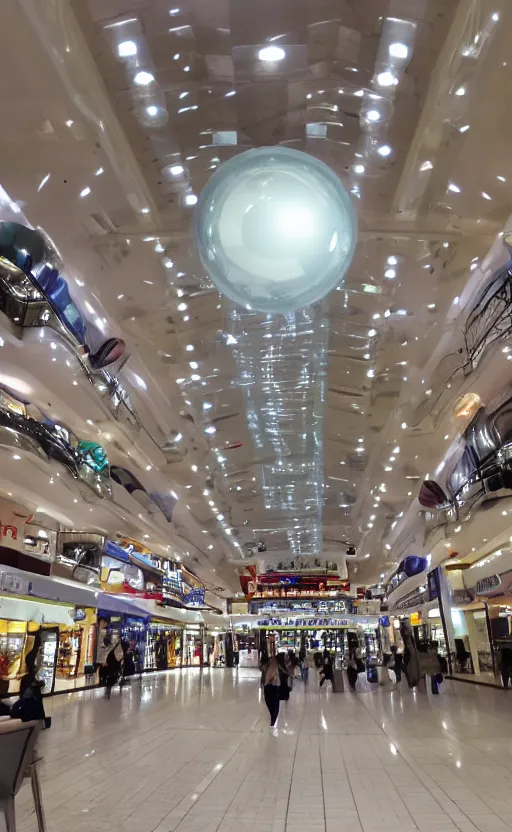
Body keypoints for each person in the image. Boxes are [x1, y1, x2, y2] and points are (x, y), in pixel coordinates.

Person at [262, 655, 280, 730]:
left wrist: (269, 680)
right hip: (267, 686)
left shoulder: (273, 665)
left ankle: (273, 719)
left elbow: (274, 675)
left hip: (273, 686)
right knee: (268, 702)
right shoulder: (265, 667)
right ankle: (273, 717)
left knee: (273, 703)